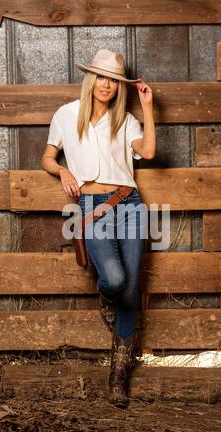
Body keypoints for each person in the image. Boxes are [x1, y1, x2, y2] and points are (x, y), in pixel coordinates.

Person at [41, 49, 156, 408]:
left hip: (130, 204)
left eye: (114, 80)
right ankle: (108, 300)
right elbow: (47, 156)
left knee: (133, 287)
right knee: (115, 281)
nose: (107, 85)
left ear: (119, 86)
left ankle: (118, 374)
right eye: (102, 77)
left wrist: (148, 107)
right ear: (91, 78)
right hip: (92, 208)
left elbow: (149, 152)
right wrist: (62, 170)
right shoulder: (66, 114)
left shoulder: (126, 120)